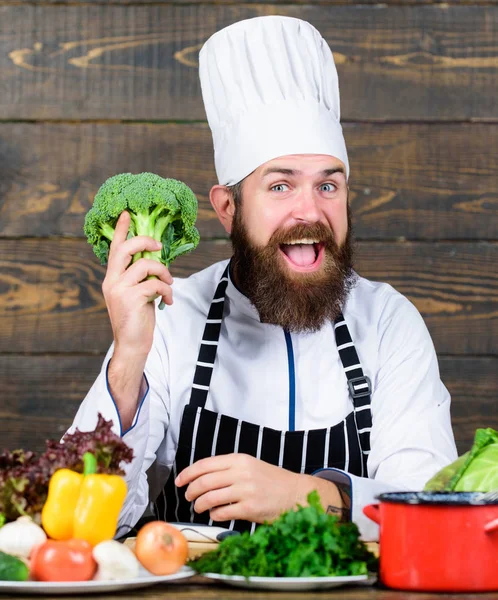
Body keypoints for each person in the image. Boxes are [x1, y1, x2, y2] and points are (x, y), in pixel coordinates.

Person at [69, 15, 457, 540]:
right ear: (228, 207)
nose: (309, 211)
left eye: (328, 186)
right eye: (280, 186)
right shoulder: (170, 320)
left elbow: (432, 515)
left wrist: (310, 497)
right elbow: (82, 528)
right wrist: (129, 357)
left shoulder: (388, 323)